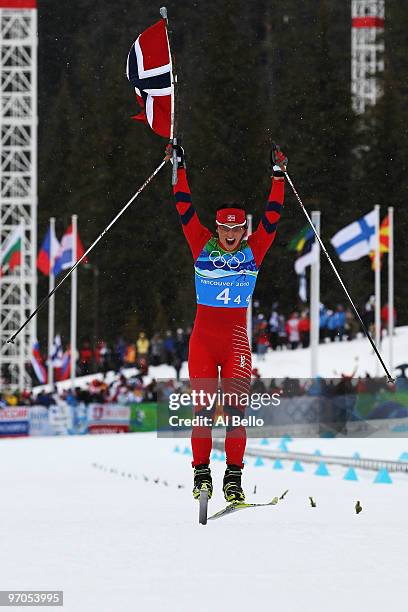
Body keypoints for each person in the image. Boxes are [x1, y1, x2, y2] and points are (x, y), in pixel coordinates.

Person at [170, 140, 286, 503]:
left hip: (236, 342)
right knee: (202, 411)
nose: (231, 236)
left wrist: (279, 176)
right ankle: (201, 473)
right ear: (218, 228)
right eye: (225, 229)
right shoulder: (201, 242)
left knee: (237, 413)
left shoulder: (255, 248)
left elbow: (272, 217)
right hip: (203, 341)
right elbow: (184, 206)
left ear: (243, 230)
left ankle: (232, 478)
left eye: (236, 230)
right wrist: (179, 169)